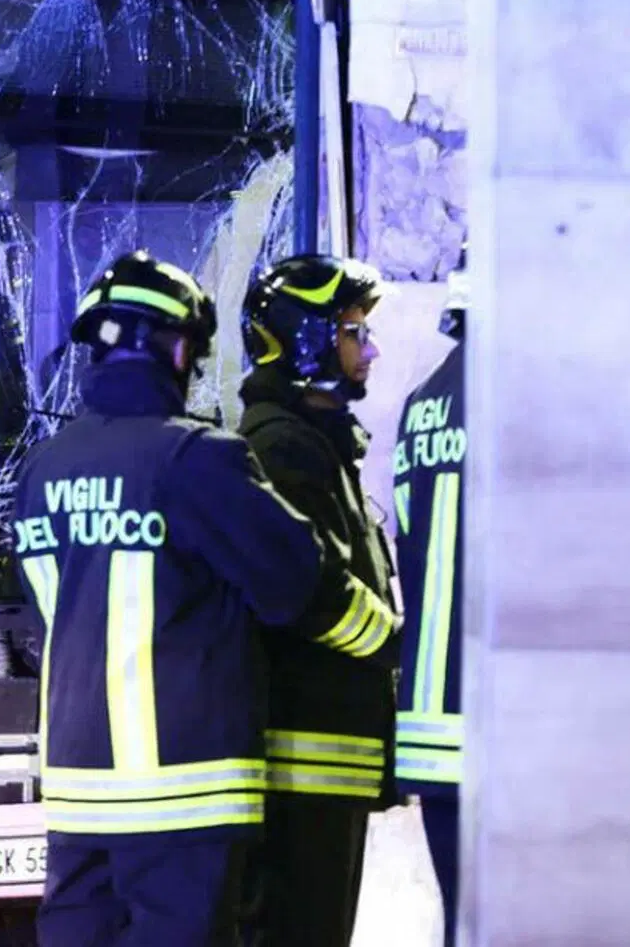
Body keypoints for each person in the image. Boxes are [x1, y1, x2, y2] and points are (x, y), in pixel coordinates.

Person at [15, 250, 399, 947]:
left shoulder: (44, 467)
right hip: (187, 794)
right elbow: (296, 582)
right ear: (180, 349)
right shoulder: (198, 457)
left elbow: (51, 612)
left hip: (77, 793)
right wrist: (391, 641)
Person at [237, 254, 404, 947]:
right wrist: (396, 643)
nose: (370, 350)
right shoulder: (281, 448)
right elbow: (308, 590)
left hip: (324, 765)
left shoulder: (314, 444)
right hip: (303, 766)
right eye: (353, 332)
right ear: (305, 339)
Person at [392, 247, 468, 943]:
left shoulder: (422, 404)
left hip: (431, 722)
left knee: (462, 921)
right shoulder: (527, 397)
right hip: (503, 721)